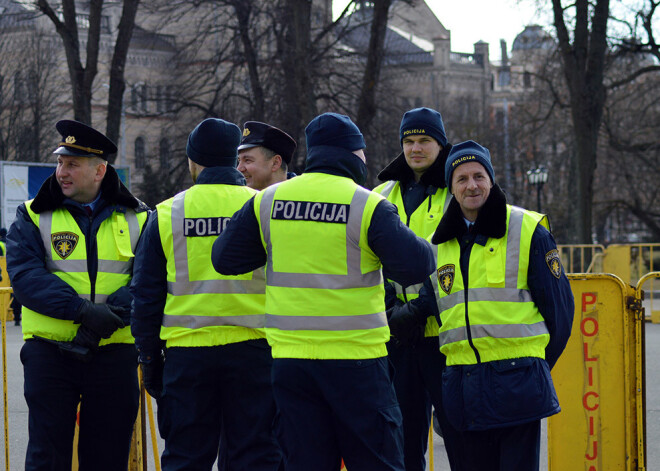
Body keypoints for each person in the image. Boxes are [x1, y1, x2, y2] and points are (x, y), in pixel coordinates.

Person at [212, 112, 436, 471]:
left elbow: (224, 258)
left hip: (292, 364)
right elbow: (415, 265)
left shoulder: (267, 202)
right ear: (352, 155)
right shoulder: (367, 205)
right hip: (356, 362)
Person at [397, 140, 574, 471]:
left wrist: (533, 368)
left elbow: (560, 312)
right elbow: (431, 301)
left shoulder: (526, 229)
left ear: (491, 181)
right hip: (463, 392)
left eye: (479, 176)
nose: (471, 185)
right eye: (461, 179)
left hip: (517, 388)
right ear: (451, 187)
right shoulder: (439, 242)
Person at [130, 118, 283, 470]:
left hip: (189, 357)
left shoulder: (168, 213)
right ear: (234, 159)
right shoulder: (263, 206)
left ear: (192, 160)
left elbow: (147, 296)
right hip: (255, 353)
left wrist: (150, 361)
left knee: (186, 457)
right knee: (256, 455)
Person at [6, 120, 149, 470]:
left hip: (114, 355)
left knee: (107, 456)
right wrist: (83, 311)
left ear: (99, 170)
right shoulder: (31, 214)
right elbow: (26, 277)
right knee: (47, 457)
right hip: (50, 354)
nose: (61, 172)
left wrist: (104, 318)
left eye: (72, 164)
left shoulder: (140, 217)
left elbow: (148, 281)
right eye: (59, 162)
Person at [373, 107, 460, 470]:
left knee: (459, 435)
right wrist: (392, 307)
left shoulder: (457, 191)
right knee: (403, 441)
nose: (415, 148)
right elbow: (368, 258)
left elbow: (455, 259)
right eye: (409, 141)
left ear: (440, 144)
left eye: (425, 140)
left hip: (443, 334)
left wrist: (421, 307)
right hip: (396, 335)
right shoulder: (380, 194)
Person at [237, 121, 297, 190]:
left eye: (247, 160)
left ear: (275, 163)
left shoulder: (302, 197)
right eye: (239, 161)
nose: (239, 169)